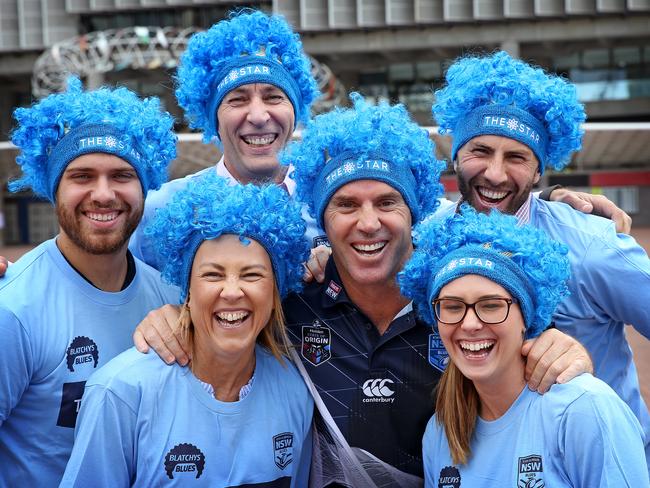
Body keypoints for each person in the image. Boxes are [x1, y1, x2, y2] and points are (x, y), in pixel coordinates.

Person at [278, 94, 591, 483]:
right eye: (346, 204)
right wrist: (179, 319)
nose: (369, 223)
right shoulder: (290, 307)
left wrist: (563, 349)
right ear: (322, 220)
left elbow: (539, 353)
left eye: (387, 201)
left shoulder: (462, 301)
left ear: (415, 212)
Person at [431, 50, 650, 467]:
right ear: (456, 154)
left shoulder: (591, 248)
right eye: (481, 150)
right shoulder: (432, 240)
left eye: (517, 157)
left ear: (538, 172)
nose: (495, 174)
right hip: (471, 464)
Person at [61, 175, 313, 487]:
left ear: (275, 291)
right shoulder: (120, 393)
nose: (231, 291)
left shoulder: (294, 390)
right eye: (212, 274)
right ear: (187, 289)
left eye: (251, 275)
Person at [0, 78, 179, 487]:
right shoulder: (13, 309)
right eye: (82, 176)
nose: (103, 194)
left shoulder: (169, 297)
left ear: (144, 186)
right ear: (53, 188)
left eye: (121, 175)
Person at [399, 207, 649, 486]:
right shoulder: (440, 435)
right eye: (453, 307)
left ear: (527, 318)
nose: (469, 323)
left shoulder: (583, 410)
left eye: (491, 305)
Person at [128, 9, 323, 273]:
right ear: (213, 119)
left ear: (296, 110)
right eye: (237, 99)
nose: (258, 116)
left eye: (273, 96)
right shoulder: (161, 210)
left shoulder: (335, 202)